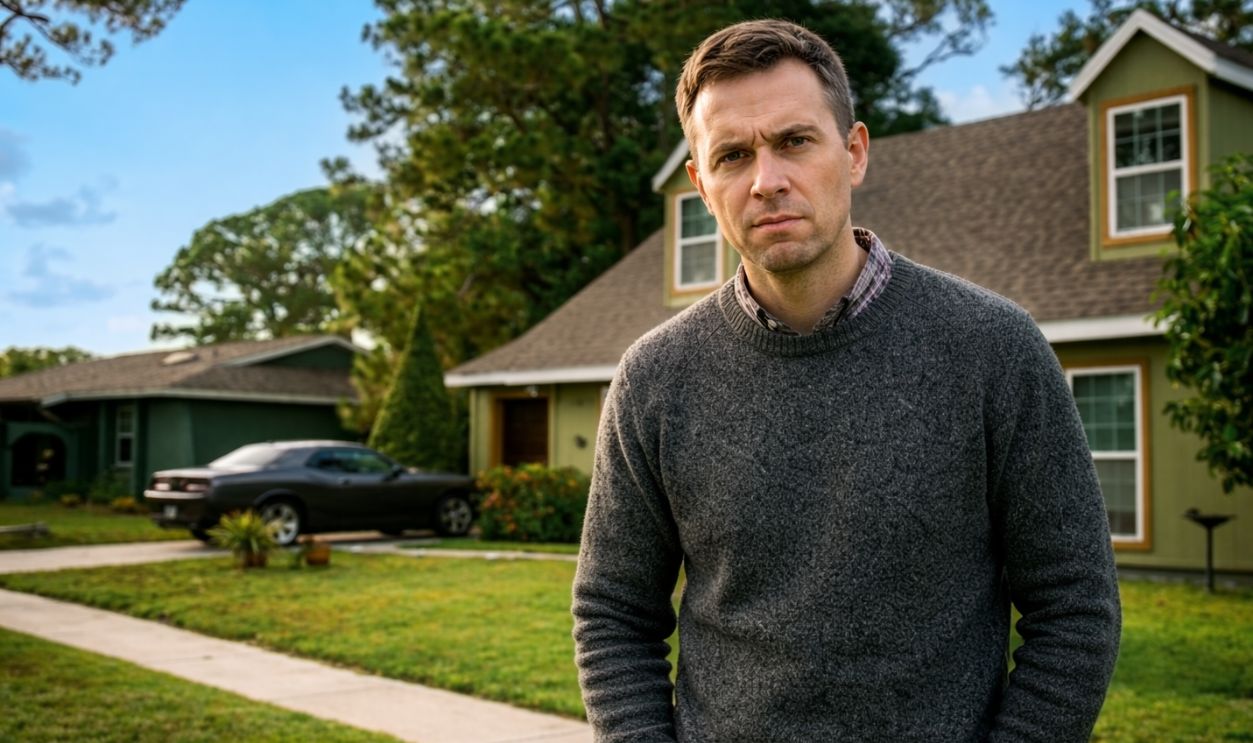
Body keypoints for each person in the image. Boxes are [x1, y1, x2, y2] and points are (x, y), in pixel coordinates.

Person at [571, 18, 1121, 743]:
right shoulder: (653, 379)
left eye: (794, 141)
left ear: (853, 153)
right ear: (702, 185)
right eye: (733, 155)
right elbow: (611, 613)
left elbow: (1075, 606)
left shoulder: (992, 348)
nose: (767, 180)